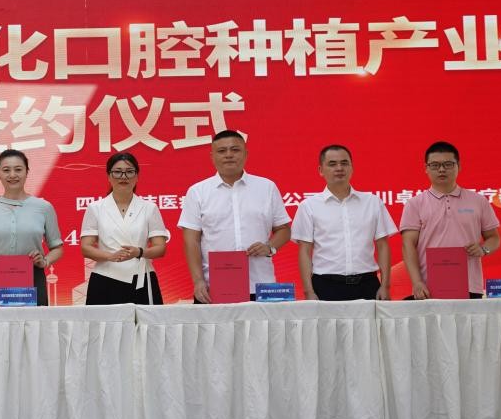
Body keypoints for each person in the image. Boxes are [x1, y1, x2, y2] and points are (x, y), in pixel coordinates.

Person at [179, 130, 291, 303]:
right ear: (212, 157)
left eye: (235, 150)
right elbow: (191, 241)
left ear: (246, 154)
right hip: (214, 287)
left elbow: (284, 229)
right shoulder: (197, 192)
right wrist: (198, 281)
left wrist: (269, 247)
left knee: (263, 322)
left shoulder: (266, 187)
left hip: (261, 284)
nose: (229, 155)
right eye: (222, 151)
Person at [293, 145, 397, 301]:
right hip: (325, 286)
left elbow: (383, 246)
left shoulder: (372, 202)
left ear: (352, 168)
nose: (339, 168)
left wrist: (385, 286)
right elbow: (305, 251)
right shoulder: (308, 206)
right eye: (332, 164)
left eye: (344, 163)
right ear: (321, 170)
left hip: (367, 284)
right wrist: (308, 291)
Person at [400, 141, 501, 299]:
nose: (441, 169)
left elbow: (494, 238)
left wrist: (483, 250)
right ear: (426, 168)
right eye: (435, 165)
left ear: (458, 166)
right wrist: (417, 282)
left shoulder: (478, 201)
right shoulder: (415, 204)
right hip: (429, 288)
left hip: (469, 285)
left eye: (448, 164)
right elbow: (408, 246)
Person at [0, 149, 64, 306]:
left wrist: (45, 261)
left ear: (27, 172)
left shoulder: (44, 207)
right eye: (6, 170)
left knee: (33, 322)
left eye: (18, 169)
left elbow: (58, 248)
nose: (12, 175)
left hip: (33, 276)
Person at [80, 152, 170, 305]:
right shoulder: (95, 208)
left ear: (137, 176)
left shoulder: (149, 208)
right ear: (109, 176)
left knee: (144, 321)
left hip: (141, 276)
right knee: (103, 321)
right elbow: (86, 247)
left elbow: (160, 248)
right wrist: (111, 256)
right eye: (117, 172)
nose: (123, 177)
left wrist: (139, 252)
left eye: (129, 172)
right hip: (105, 277)